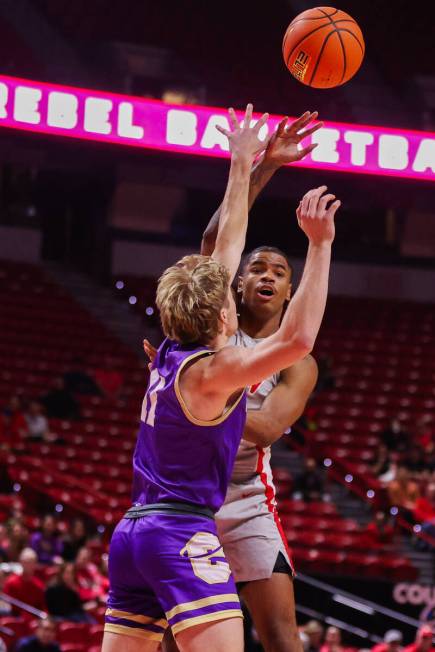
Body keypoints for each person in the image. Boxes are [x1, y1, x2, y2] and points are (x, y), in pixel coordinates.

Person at [102, 104, 339, 652]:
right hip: (186, 525)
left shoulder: (168, 351)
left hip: (147, 522)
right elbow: (297, 338)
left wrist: (244, 162)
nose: (261, 275)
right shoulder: (219, 369)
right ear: (224, 304)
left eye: (280, 272)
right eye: (254, 268)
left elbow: (220, 249)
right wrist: (321, 245)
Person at [3, 547, 46, 615]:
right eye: (26, 562)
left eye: (31, 562)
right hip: (15, 617)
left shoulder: (39, 585)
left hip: (33, 620)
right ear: (21, 562)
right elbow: (7, 605)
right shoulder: (11, 582)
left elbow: (42, 607)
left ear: (35, 564)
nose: (28, 565)